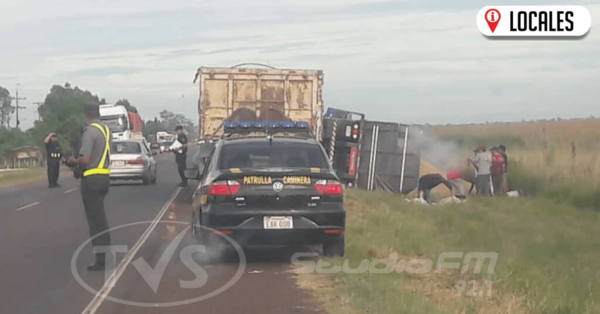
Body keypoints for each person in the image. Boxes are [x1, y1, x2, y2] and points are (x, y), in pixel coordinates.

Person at [66, 102, 112, 271]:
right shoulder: (106, 130)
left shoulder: (90, 132)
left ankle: (102, 260)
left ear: (86, 114)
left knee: (96, 221)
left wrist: (73, 161)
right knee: (100, 218)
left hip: (91, 178)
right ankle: (103, 256)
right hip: (104, 176)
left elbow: (85, 159)